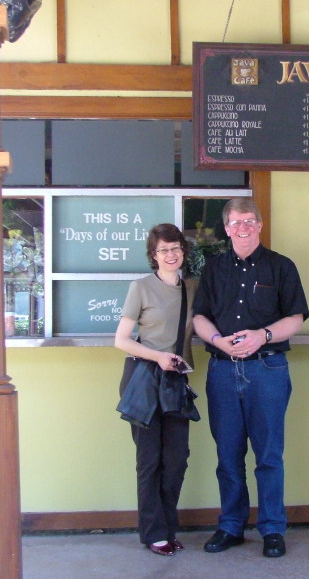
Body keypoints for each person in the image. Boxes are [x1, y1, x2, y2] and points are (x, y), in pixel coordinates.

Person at [192, 198, 309, 558]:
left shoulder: (281, 266)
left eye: (248, 221)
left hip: (267, 369)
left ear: (259, 225)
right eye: (235, 222)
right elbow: (199, 316)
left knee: (269, 455)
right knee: (228, 455)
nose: (242, 228)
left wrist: (264, 335)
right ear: (227, 229)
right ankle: (231, 525)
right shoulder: (213, 269)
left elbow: (296, 317)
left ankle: (272, 529)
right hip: (222, 370)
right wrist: (217, 341)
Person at [114, 223, 197, 556]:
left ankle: (167, 527)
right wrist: (158, 356)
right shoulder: (141, 287)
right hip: (144, 379)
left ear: (183, 251)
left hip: (176, 381)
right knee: (149, 460)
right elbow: (121, 340)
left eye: (175, 248)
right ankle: (154, 533)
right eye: (164, 249)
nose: (171, 254)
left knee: (177, 459)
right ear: (154, 254)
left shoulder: (193, 288)